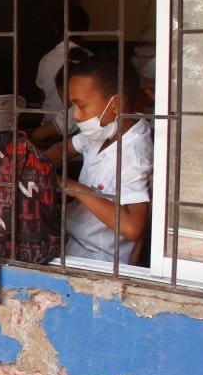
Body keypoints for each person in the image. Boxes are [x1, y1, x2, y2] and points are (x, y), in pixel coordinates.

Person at [46, 54, 152, 263]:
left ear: (115, 105)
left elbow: (132, 228)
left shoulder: (134, 153)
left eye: (81, 105)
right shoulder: (105, 131)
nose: (75, 115)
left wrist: (72, 187)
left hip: (98, 258)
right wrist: (37, 166)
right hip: (72, 241)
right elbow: (62, 148)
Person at [31, 7, 91, 144]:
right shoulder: (91, 60)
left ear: (56, 29)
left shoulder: (46, 59)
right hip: (66, 132)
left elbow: (42, 98)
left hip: (50, 128)